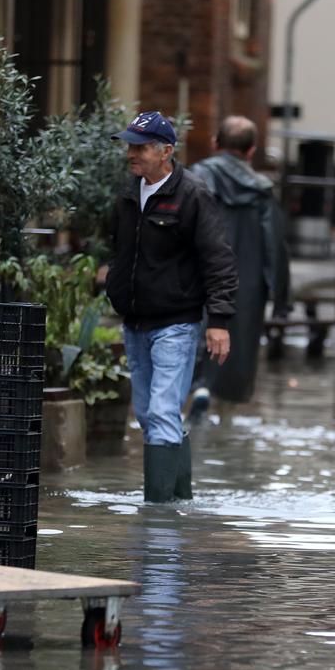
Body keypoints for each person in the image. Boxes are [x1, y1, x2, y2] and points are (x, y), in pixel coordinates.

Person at [106, 110, 237, 502]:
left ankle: (158, 520)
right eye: (129, 145)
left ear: (166, 151)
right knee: (148, 414)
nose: (131, 153)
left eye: (140, 147)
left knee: (161, 411)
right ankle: (180, 500)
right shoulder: (129, 194)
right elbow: (120, 249)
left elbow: (218, 260)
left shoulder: (193, 195)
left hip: (176, 323)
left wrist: (219, 321)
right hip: (135, 321)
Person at [187, 115, 288, 406]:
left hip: (200, 276)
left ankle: (198, 389)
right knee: (238, 349)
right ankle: (225, 405)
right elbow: (275, 246)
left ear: (214, 143)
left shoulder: (196, 178)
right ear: (251, 150)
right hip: (247, 283)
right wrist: (280, 298)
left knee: (197, 335)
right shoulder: (263, 190)